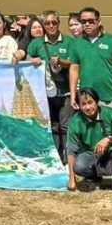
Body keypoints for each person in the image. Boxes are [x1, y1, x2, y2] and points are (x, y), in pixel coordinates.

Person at [19, 10, 73, 161]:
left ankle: (68, 160)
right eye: (47, 23)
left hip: (66, 92)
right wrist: (31, 59)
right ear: (43, 25)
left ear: (58, 23)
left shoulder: (69, 41)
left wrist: (62, 62)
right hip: (45, 93)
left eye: (54, 22)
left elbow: (75, 62)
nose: (51, 26)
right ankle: (56, 158)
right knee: (52, 126)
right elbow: (27, 59)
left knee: (66, 126)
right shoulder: (36, 43)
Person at [66, 88, 112, 193]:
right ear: (79, 106)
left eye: (90, 102)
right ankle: (95, 178)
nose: (88, 107)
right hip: (91, 155)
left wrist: (109, 139)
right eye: (84, 104)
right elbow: (71, 151)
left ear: (97, 101)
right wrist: (72, 180)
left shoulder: (110, 113)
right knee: (79, 165)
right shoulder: (75, 121)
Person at [68, 8, 112, 115]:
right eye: (83, 22)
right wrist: (73, 95)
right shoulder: (76, 43)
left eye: (91, 21)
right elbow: (74, 69)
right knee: (91, 131)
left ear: (99, 21)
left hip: (111, 97)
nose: (87, 24)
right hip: (88, 99)